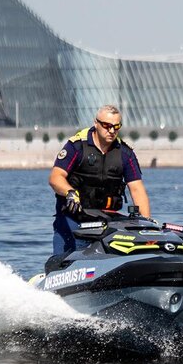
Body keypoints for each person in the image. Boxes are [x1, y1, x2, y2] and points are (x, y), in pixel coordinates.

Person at [48, 105, 150, 257]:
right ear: (96, 123)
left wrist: (146, 226)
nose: (112, 131)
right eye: (107, 126)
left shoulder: (125, 153)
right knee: (63, 259)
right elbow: (55, 177)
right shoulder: (76, 146)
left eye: (116, 127)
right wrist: (69, 192)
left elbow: (137, 190)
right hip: (74, 218)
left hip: (107, 220)